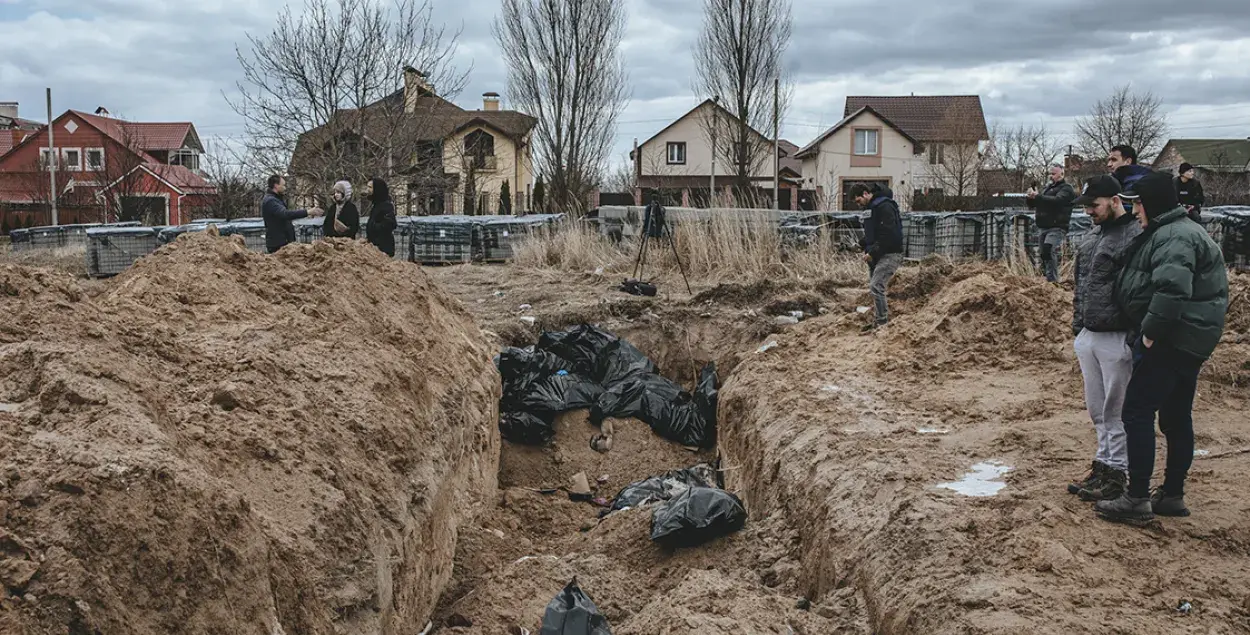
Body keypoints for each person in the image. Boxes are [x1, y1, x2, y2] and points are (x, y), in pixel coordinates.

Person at [1094, 171, 1228, 523]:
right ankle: (1171, 495)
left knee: (1136, 411)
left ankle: (1136, 498)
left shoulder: (1175, 236)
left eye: (1138, 202)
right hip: (1188, 340)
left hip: (1172, 339)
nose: (1135, 209)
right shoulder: (1175, 230)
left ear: (1151, 203)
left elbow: (1173, 289)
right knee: (1175, 416)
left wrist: (1151, 333)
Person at [1067, 174, 1142, 502]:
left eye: (1093, 206)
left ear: (1115, 200)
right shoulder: (1094, 235)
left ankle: (1118, 474)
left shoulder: (1134, 235)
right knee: (1098, 408)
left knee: (1117, 409)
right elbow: (1081, 283)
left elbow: (1140, 290)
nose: (1088, 212)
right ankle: (1104, 464)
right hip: (1090, 332)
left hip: (1117, 335)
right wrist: (1078, 326)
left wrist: (1134, 335)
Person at [852, 183, 904, 331]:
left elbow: (888, 235)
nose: (858, 204)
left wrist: (872, 252)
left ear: (865, 193)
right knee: (875, 288)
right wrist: (860, 244)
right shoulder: (871, 208)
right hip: (876, 254)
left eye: (858, 200)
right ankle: (878, 320)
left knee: (876, 286)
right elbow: (872, 234)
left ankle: (882, 323)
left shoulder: (884, 206)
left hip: (890, 253)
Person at [1026, 165, 1077, 282]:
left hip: (1057, 226)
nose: (1051, 176)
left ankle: (1053, 280)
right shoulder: (1047, 189)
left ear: (1061, 174)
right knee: (1044, 253)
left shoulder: (1066, 189)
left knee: (1048, 249)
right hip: (1043, 226)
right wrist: (1031, 198)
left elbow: (1057, 201)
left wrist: (1038, 196)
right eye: (1050, 173)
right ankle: (1048, 278)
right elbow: (1035, 204)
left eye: (1054, 174)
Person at [261, 175, 323, 254]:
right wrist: (308, 212)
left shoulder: (276, 199)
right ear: (276, 186)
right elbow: (285, 214)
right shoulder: (271, 201)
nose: (285, 188)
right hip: (278, 244)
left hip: (282, 241)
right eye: (283, 185)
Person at [364, 177, 397, 258]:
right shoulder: (376, 205)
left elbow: (390, 224)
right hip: (375, 247)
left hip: (383, 248)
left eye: (370, 187)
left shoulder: (386, 206)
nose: (367, 190)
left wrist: (373, 226)